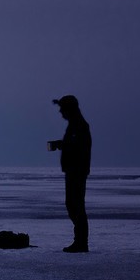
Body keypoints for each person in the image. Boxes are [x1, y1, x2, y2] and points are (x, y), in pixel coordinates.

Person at [48, 95, 92, 253]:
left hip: (77, 172)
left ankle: (81, 242)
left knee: (76, 205)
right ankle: (80, 241)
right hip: (74, 171)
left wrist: (64, 146)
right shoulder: (75, 125)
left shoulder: (79, 126)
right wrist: (62, 144)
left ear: (70, 109)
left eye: (62, 109)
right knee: (73, 205)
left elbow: (79, 148)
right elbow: (74, 145)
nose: (60, 112)